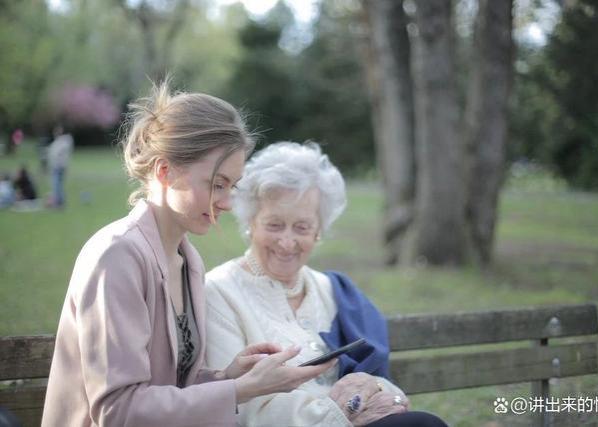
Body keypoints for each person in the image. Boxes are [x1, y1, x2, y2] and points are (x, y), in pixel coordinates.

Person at [42, 83, 335, 427]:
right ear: (165, 172)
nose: (226, 203)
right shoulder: (116, 256)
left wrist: (228, 376)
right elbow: (118, 411)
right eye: (216, 184)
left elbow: (170, 386)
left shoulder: (187, 260)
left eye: (232, 186)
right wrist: (238, 390)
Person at [205, 142, 447, 427]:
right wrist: (340, 412)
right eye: (273, 225)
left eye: (302, 227)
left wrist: (378, 391)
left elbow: (384, 386)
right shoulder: (219, 291)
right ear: (250, 223)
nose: (287, 241)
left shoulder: (333, 291)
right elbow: (239, 407)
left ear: (319, 231)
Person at [47, 124, 73, 207]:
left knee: (56, 185)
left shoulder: (62, 142)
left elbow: (57, 154)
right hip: (59, 166)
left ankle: (58, 202)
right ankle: (60, 201)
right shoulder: (61, 142)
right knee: (58, 185)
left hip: (58, 166)